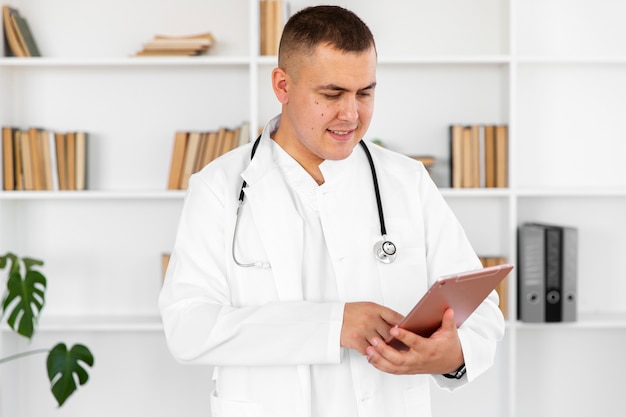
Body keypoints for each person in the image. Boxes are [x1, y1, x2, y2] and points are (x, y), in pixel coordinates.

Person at [159, 5, 505, 417]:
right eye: (332, 94)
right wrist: (332, 325)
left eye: (365, 93)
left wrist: (452, 355)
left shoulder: (406, 180)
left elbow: (480, 309)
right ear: (282, 86)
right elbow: (188, 327)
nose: (351, 114)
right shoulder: (219, 188)